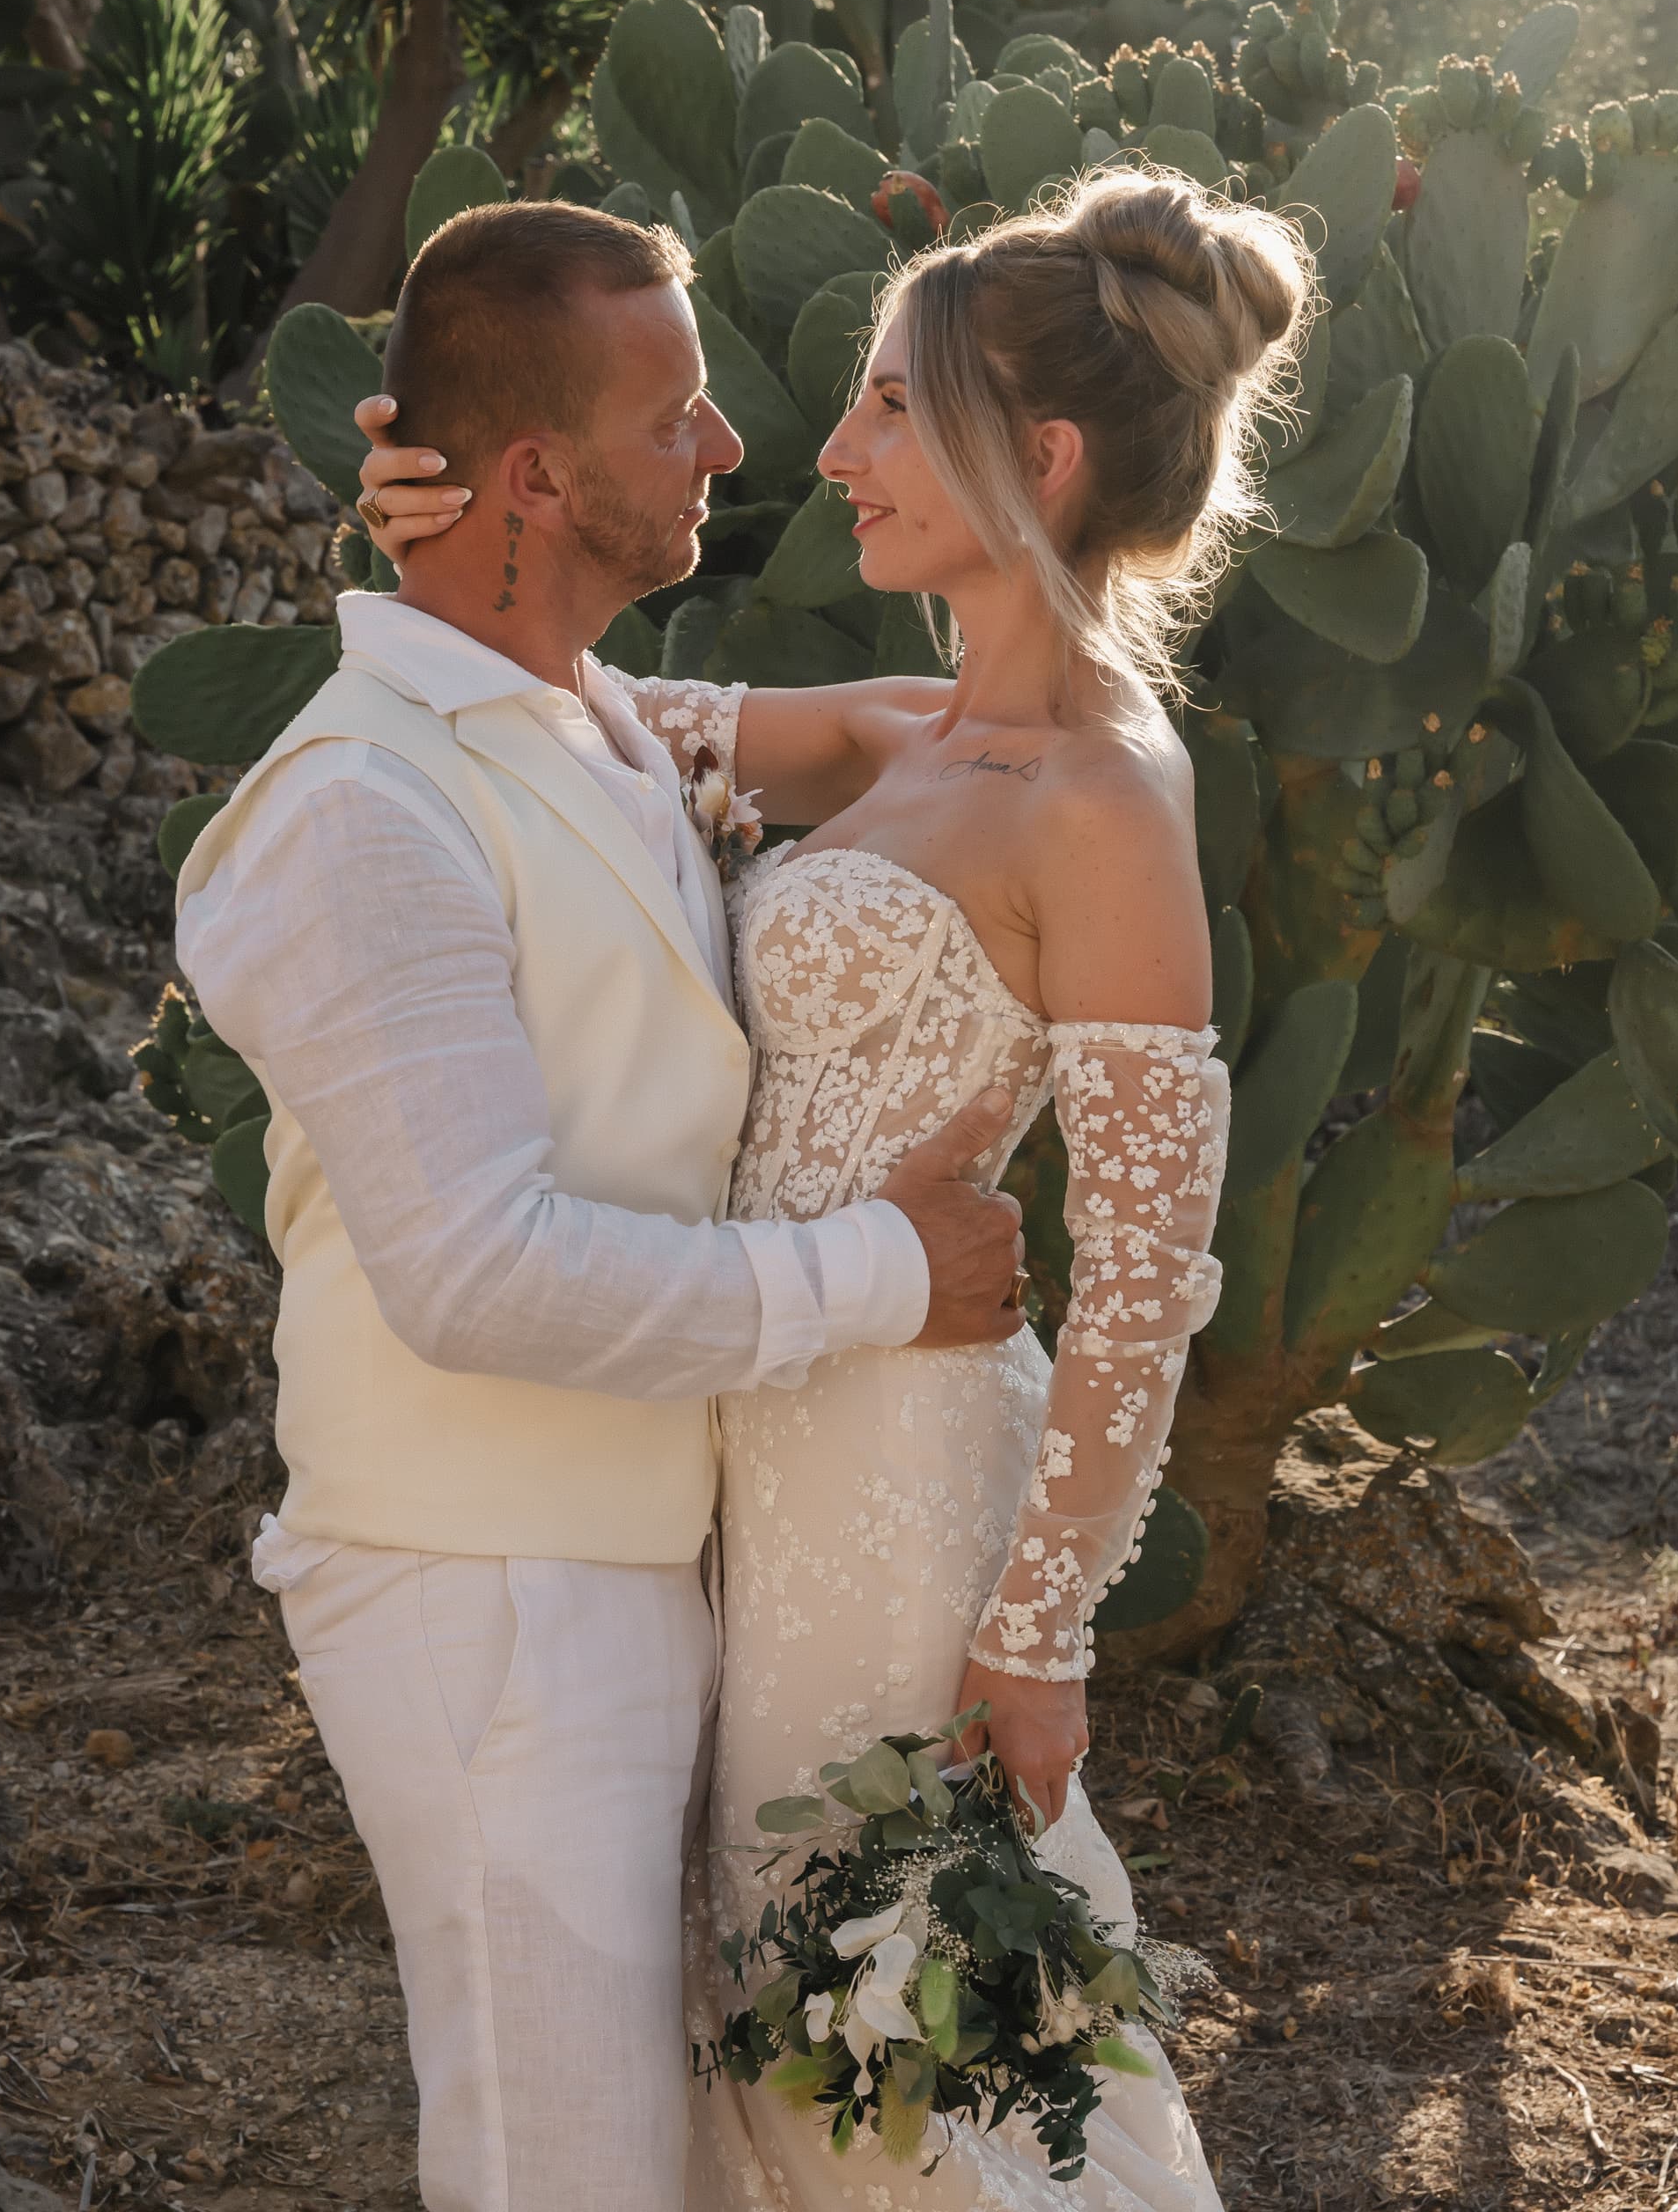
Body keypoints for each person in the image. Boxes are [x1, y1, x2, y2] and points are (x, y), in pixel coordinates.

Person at [355, 162, 1310, 2210]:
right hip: (736, 1453)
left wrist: (1040, 1632)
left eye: (889, 406)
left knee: (906, 2026)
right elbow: (570, 717)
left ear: (1036, 456)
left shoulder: (1109, 800)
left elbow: (1147, 1269)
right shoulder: (905, 735)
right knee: (776, 2002)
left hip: (902, 1480)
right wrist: (448, 510)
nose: (836, 449)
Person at [169, 198, 1040, 2212]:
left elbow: (945, 739)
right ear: (545, 474)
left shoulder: (589, 717)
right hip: (477, 1586)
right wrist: (887, 1271)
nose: (733, 449)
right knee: (560, 2166)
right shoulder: (366, 804)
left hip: (625, 1559)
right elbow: (480, 1272)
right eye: (680, 413)